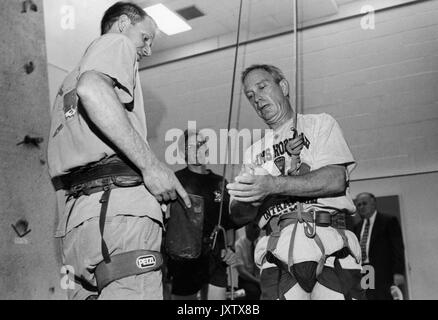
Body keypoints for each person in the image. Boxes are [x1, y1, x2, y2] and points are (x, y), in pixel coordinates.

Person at [47, 2, 191, 300]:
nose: (148, 49)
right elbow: (93, 88)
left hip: (78, 222)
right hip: (118, 212)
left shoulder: (66, 83)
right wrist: (151, 166)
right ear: (124, 24)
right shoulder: (116, 43)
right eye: (146, 38)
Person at [227, 64, 365, 300]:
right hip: (278, 253)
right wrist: (249, 198)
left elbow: (335, 179)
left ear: (283, 86)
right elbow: (237, 215)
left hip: (332, 247)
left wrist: (271, 185)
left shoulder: (320, 124)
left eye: (262, 87)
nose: (257, 98)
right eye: (250, 96)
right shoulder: (253, 153)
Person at [165, 129, 237, 300]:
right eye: (192, 146)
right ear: (183, 153)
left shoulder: (220, 182)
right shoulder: (176, 180)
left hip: (216, 256)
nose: (198, 148)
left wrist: (231, 249)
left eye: (202, 144)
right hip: (185, 258)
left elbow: (229, 222)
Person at [354, 192, 406, 300]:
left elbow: (398, 248)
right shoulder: (357, 227)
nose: (361, 207)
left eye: (364, 203)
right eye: (358, 205)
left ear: (373, 204)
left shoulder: (388, 221)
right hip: (364, 271)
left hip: (384, 273)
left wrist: (398, 272)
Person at [235, 221, 262, 300]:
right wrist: (257, 281)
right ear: (246, 227)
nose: (257, 230)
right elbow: (242, 271)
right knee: (254, 292)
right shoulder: (239, 244)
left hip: (261, 277)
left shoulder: (261, 242)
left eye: (258, 227)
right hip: (246, 279)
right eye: (254, 227)